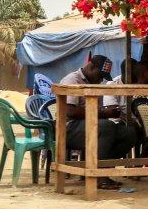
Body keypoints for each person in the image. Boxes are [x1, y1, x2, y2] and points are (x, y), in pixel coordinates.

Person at [58, 54, 137, 189]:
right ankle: (99, 177)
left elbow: (98, 109)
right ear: (91, 67)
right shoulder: (72, 80)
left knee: (129, 133)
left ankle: (102, 170)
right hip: (69, 128)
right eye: (100, 75)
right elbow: (69, 112)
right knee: (107, 127)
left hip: (91, 125)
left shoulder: (94, 83)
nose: (101, 79)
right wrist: (102, 113)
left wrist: (109, 111)